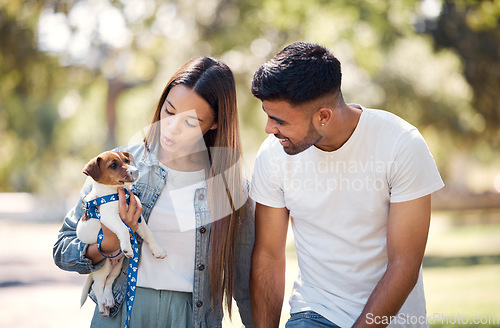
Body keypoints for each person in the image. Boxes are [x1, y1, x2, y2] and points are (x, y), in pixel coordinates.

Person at [249, 42, 444, 328]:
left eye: (279, 121)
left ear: (323, 116)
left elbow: (405, 262)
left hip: (393, 319)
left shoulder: (401, 144)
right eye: (267, 116)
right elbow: (268, 254)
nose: (269, 129)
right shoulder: (272, 154)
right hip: (314, 312)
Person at [53, 56, 254, 328]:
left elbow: (244, 280)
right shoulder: (117, 168)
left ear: (215, 124)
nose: (171, 128)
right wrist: (105, 244)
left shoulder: (230, 187)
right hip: (121, 311)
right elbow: (62, 248)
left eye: (191, 123)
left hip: (190, 318)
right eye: (169, 111)